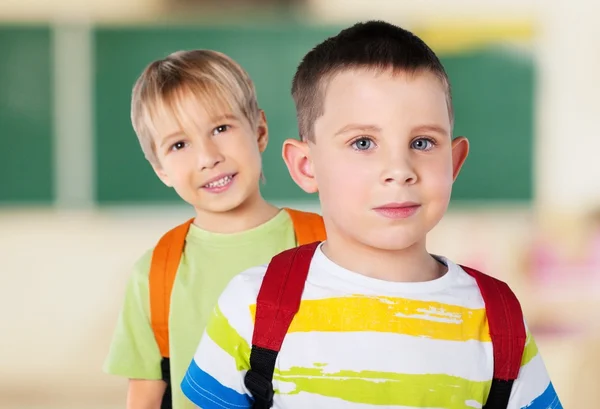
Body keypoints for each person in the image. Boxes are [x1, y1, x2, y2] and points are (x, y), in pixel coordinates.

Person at [181, 21, 563, 409]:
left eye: (422, 142)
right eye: (363, 142)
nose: (399, 169)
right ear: (306, 166)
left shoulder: (498, 317)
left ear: (454, 161)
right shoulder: (253, 304)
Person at [103, 49, 326, 409]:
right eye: (179, 144)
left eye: (221, 128)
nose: (208, 157)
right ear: (160, 169)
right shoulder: (156, 273)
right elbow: (144, 396)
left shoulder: (327, 243)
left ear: (260, 131)